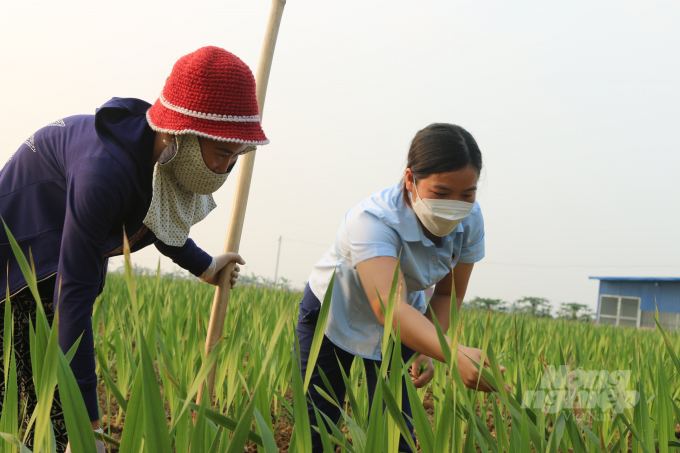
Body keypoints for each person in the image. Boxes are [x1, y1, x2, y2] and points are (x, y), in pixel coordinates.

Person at [0, 46, 268, 452]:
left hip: (60, 247)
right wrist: (88, 426)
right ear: (183, 135)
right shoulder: (103, 174)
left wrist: (207, 266)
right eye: (222, 155)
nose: (226, 171)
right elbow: (72, 297)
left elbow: (159, 217)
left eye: (235, 158)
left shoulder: (159, 155)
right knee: (35, 396)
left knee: (46, 399)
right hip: (22, 247)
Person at [296, 123, 507, 452]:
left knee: (396, 428)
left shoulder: (471, 220)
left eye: (467, 194)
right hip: (335, 313)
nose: (456, 205)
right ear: (411, 180)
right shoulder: (373, 218)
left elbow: (450, 294)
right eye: (441, 192)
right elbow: (386, 307)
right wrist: (454, 353)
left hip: (407, 320)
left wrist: (430, 347)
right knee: (318, 421)